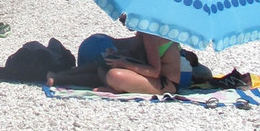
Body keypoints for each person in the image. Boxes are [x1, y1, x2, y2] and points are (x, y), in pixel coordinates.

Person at [46, 31, 182, 94]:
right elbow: (136, 55)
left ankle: (118, 88)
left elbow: (154, 71)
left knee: (114, 75)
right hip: (152, 77)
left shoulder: (150, 35)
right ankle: (59, 76)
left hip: (165, 84)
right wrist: (117, 56)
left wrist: (124, 64)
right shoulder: (144, 32)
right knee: (104, 63)